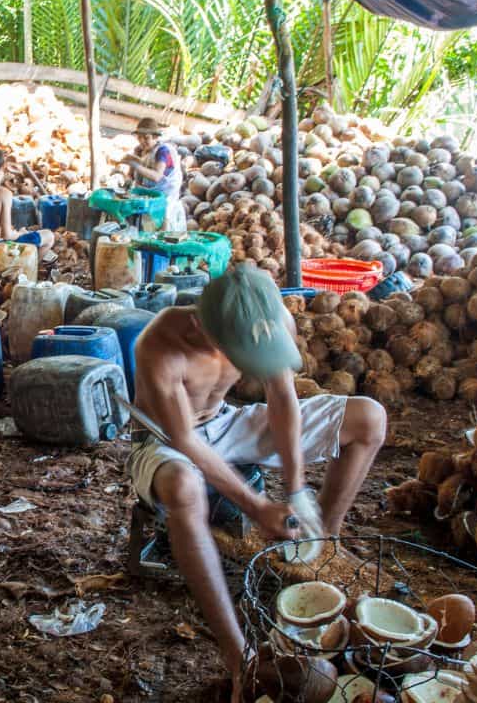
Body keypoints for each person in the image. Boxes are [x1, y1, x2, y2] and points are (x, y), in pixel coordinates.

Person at [127, 264, 386, 700]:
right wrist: (257, 506)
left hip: (228, 424)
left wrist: (298, 490)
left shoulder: (270, 321)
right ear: (199, 325)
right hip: (164, 439)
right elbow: (186, 440)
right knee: (184, 488)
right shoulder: (160, 343)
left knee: (368, 418)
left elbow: (283, 397)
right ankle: (238, 655)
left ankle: (327, 540)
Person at [0, 148, 53, 255]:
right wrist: (20, 233)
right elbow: (7, 235)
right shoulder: (4, 193)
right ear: (4, 166)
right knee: (48, 235)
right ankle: (29, 269)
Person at [122, 117, 187, 232]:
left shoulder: (163, 151)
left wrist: (136, 165)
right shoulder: (139, 150)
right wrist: (128, 179)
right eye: (139, 137)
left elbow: (157, 176)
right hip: (146, 193)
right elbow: (131, 174)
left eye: (146, 138)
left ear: (155, 137)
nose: (142, 141)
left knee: (162, 225)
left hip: (165, 194)